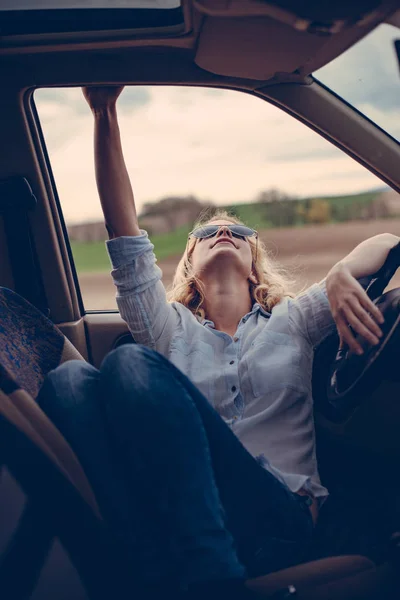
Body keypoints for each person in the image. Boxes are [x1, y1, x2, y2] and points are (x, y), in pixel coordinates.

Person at [37, 86, 400, 599]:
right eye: (207, 233)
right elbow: (125, 234)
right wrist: (103, 111)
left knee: (128, 367)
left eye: (239, 230)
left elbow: (387, 242)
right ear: (188, 265)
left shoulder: (293, 319)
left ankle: (196, 580)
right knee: (71, 378)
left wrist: (342, 271)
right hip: (186, 507)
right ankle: (178, 570)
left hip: (277, 513)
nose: (224, 232)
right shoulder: (167, 327)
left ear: (255, 264)